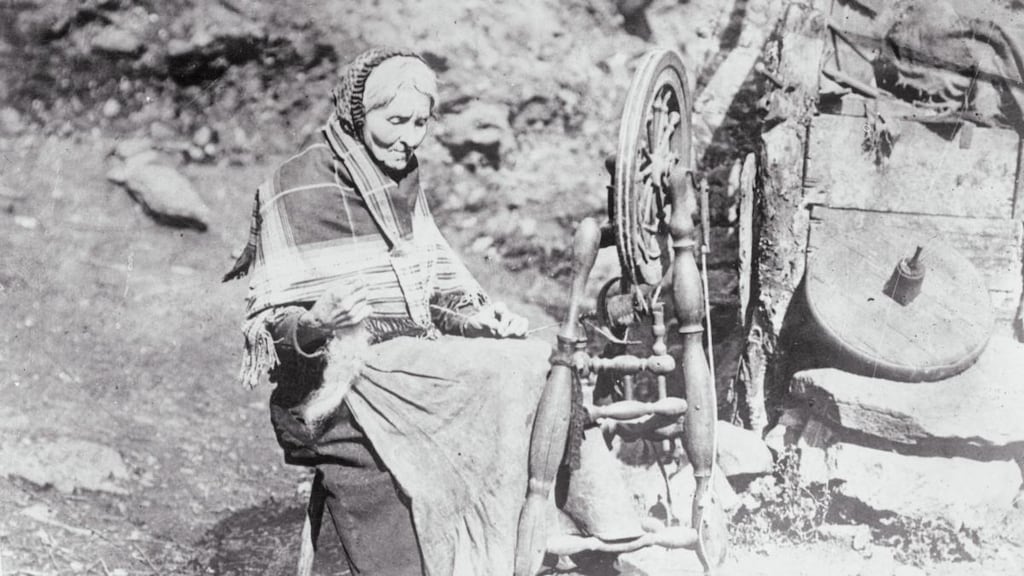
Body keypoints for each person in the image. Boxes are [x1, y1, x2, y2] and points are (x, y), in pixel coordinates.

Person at [224, 48, 558, 575]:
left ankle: (565, 537)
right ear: (359, 114)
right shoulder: (294, 188)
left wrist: (484, 319)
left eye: (420, 122)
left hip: (408, 367)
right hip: (333, 389)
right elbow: (274, 330)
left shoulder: (401, 182)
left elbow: (435, 293)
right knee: (503, 379)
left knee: (534, 363)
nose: (409, 136)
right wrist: (317, 321)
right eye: (395, 120)